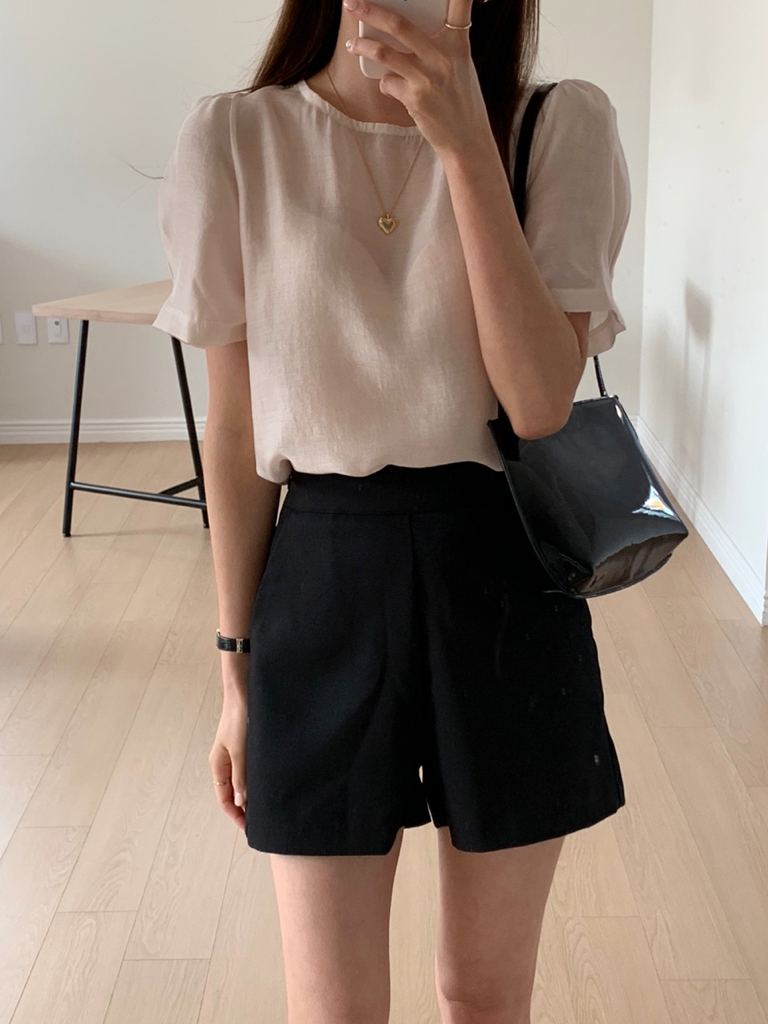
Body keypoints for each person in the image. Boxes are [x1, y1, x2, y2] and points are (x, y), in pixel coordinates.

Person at [152, 0, 631, 1018]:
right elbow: (235, 435)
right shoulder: (236, 137)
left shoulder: (557, 124)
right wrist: (235, 671)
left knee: (485, 995)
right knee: (333, 1009)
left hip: (505, 575)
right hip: (320, 579)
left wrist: (465, 146)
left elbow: (539, 401)